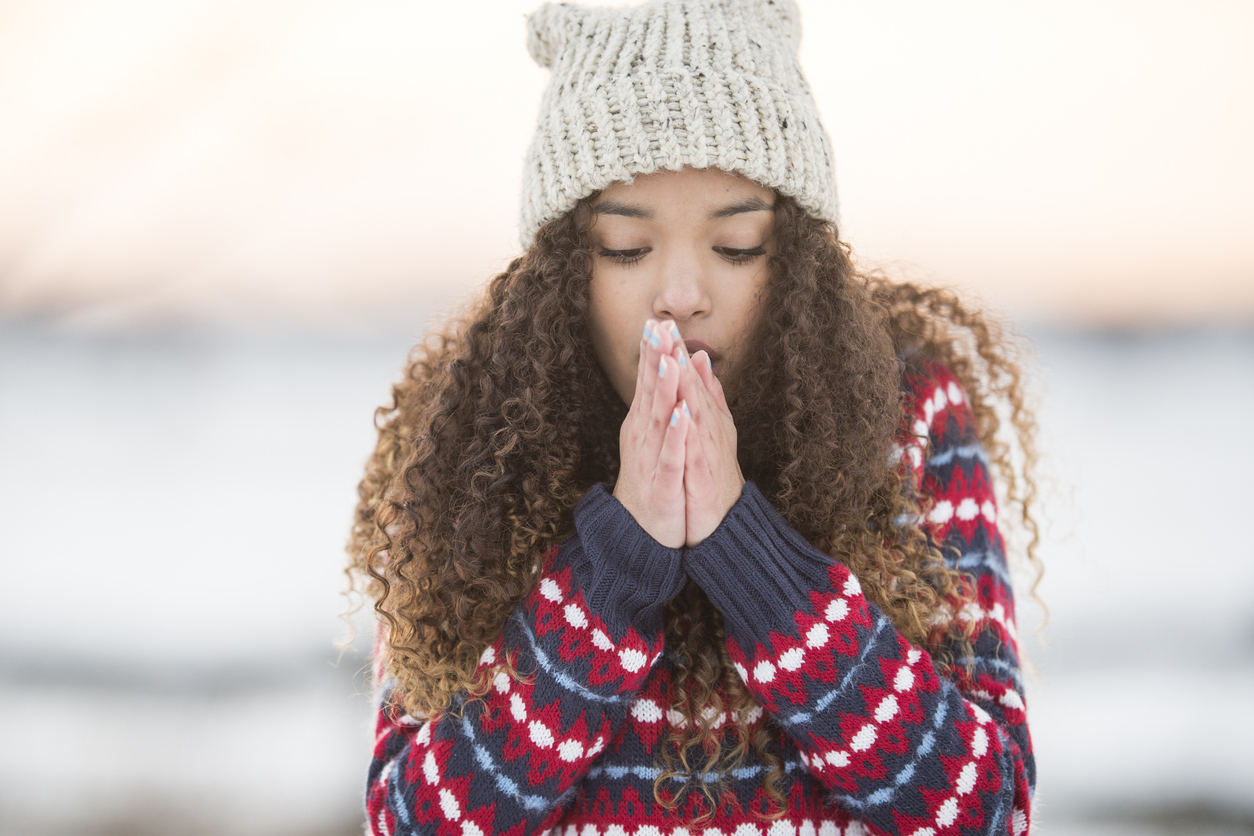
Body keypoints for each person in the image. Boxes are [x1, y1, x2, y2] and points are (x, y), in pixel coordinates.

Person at [346, 1, 1040, 834]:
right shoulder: (466, 447)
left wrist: (750, 551)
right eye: (626, 249)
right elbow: (414, 821)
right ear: (564, 269)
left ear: (799, 260)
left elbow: (986, 808)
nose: (680, 294)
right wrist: (617, 564)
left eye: (737, 245)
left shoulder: (910, 418)